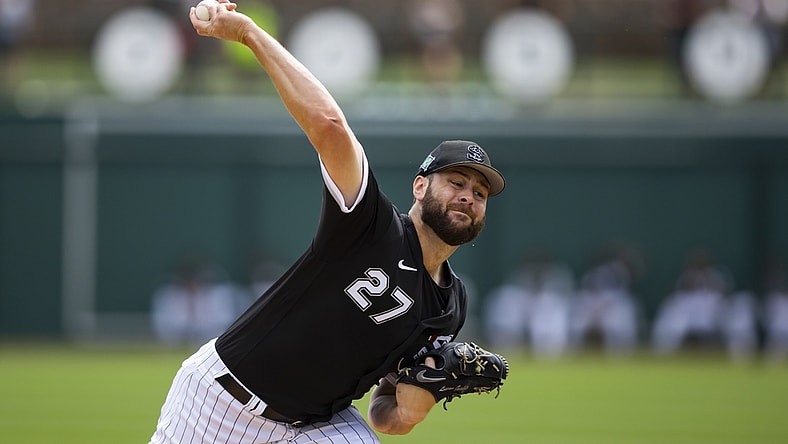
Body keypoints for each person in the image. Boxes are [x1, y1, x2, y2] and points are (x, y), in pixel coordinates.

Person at [149, 2, 506, 443]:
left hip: (318, 424)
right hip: (222, 404)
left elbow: (383, 413)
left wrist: (417, 403)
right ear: (419, 187)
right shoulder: (368, 225)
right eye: (456, 182)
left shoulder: (450, 306)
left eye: (480, 193)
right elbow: (330, 126)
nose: (468, 196)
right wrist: (248, 34)